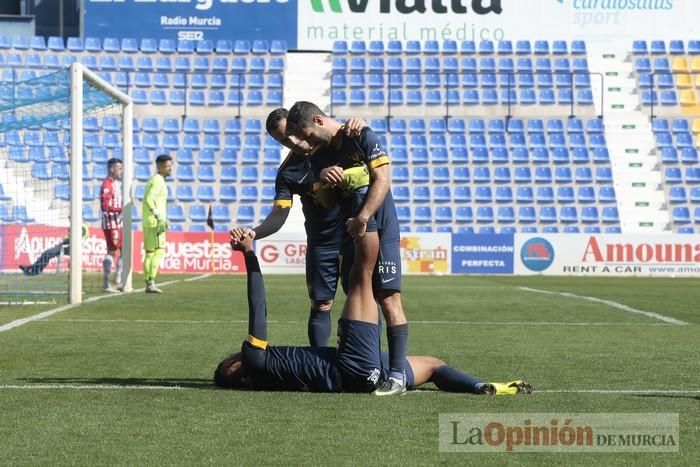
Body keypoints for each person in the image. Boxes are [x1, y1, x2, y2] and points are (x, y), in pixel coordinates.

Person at [215, 231, 532, 396]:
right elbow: (258, 305)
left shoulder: (262, 378)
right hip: (352, 363)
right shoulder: (255, 359)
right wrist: (249, 255)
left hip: (362, 377)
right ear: (233, 365)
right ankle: (368, 201)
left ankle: (481, 387)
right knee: (361, 274)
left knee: (434, 366)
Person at [286, 101, 409, 396]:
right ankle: (372, 366)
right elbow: (328, 203)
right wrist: (325, 182)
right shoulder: (318, 158)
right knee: (361, 293)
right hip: (352, 230)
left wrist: (364, 217)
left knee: (388, 298)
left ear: (318, 120)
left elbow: (383, 179)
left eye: (308, 135)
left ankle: (398, 375)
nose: (307, 143)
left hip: (379, 223)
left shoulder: (360, 133)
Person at [231, 108, 365, 348]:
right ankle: (319, 362)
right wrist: (255, 232)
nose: (292, 142)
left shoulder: (332, 143)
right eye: (283, 140)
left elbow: (360, 141)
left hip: (354, 236)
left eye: (291, 133)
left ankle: (368, 359)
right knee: (321, 304)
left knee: (362, 298)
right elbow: (279, 215)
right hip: (321, 242)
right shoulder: (287, 173)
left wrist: (359, 123)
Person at [141, 154, 172, 293]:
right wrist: (159, 217)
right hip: (155, 222)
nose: (170, 168)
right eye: (167, 166)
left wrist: (164, 218)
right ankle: (151, 282)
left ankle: (149, 283)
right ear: (159, 166)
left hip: (150, 221)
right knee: (158, 252)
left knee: (149, 253)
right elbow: (149, 199)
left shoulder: (154, 180)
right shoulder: (158, 180)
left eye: (171, 165)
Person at [19, 224, 88, 276]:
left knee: (47, 253)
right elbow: (68, 237)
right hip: (66, 245)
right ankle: (31, 269)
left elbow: (78, 239)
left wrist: (68, 240)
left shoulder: (81, 227)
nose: (69, 219)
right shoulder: (77, 225)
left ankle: (34, 271)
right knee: (46, 254)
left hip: (70, 247)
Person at [100, 158, 123, 292]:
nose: (121, 171)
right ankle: (106, 283)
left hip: (119, 223)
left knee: (125, 250)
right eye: (119, 168)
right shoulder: (107, 185)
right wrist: (120, 210)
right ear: (111, 169)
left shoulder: (117, 184)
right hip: (110, 223)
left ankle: (118, 280)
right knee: (112, 251)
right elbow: (105, 206)